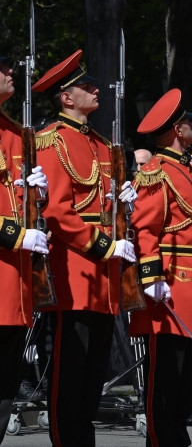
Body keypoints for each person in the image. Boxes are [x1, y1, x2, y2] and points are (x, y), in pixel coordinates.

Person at [33, 50, 138, 446]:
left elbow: (107, 204)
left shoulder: (102, 144)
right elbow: (57, 212)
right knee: (71, 370)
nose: (96, 90)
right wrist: (105, 246)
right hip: (75, 270)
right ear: (66, 98)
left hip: (105, 276)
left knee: (93, 376)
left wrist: (126, 203)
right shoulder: (52, 141)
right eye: (86, 86)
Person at [128, 89, 192, 446]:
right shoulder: (156, 172)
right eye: (187, 122)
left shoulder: (185, 170)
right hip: (171, 282)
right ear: (177, 129)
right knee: (166, 376)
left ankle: (176, 436)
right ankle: (162, 440)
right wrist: (152, 275)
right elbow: (144, 228)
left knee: (188, 376)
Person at [0, 55, 49, 444]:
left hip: (14, 283)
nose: (10, 73)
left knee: (4, 387)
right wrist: (16, 236)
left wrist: (39, 196)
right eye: (1, 68)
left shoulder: (17, 133)